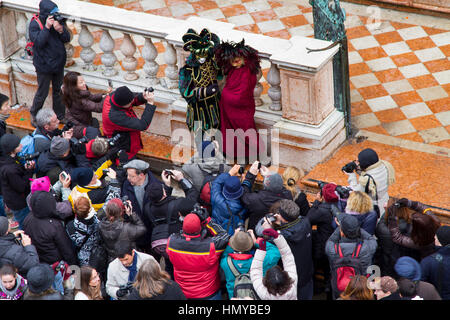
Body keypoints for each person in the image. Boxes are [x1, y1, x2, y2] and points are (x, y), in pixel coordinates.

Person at [214, 39, 263, 163]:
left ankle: (256, 154)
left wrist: (231, 98)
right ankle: (235, 153)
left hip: (242, 108)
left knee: (246, 130)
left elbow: (245, 91)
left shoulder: (249, 72)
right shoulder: (231, 70)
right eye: (232, 61)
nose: (235, 63)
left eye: (237, 60)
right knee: (230, 130)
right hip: (227, 107)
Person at [167, 210, 230, 300]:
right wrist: (207, 221)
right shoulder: (210, 246)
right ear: (200, 228)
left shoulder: (171, 242)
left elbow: (179, 235)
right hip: (209, 293)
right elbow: (224, 235)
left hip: (183, 294)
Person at [258, 199, 314, 300]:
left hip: (290, 281)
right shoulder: (306, 222)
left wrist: (268, 229)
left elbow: (263, 236)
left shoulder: (282, 237)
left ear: (281, 217)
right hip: (306, 274)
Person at [143, 168, 197, 265]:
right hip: (176, 242)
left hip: (161, 244)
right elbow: (192, 197)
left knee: (169, 265)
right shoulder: (177, 204)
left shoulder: (147, 209)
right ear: (164, 193)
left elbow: (161, 204)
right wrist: (181, 179)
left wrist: (167, 186)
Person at [28, 0, 70, 123]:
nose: (55, 16)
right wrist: (47, 27)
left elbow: (66, 39)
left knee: (59, 91)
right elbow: (39, 43)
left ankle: (60, 115)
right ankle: (34, 114)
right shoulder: (35, 24)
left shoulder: (58, 22)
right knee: (42, 92)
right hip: (44, 66)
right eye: (52, 14)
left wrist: (61, 30)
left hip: (58, 64)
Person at [178, 28, 221, 146]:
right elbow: (185, 91)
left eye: (204, 55)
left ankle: (216, 155)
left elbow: (221, 74)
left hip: (214, 106)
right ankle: (203, 157)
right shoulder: (187, 70)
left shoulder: (212, 63)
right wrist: (206, 91)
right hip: (198, 110)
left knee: (217, 133)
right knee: (200, 136)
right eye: (199, 55)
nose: (202, 58)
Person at [325, 213, 378, 299]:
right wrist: (355, 228)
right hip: (362, 289)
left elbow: (331, 240)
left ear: (341, 233)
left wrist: (340, 227)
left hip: (340, 289)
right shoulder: (367, 248)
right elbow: (370, 238)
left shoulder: (332, 249)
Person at [121, 159, 170, 251]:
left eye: (131, 176)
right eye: (127, 175)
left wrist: (167, 187)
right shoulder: (126, 184)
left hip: (151, 234)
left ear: (141, 175)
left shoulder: (157, 186)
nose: (128, 178)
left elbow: (164, 205)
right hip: (136, 234)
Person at [220, 227, 280, 299]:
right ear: (250, 245)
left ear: (233, 246)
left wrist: (234, 238)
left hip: (234, 297)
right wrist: (256, 241)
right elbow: (275, 251)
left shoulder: (225, 262)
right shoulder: (260, 262)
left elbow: (224, 254)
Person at [23, 191, 78, 266]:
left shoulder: (28, 218)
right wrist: (74, 267)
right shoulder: (55, 226)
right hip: (55, 263)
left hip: (40, 259)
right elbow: (66, 249)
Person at [101, 86, 156, 160]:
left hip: (123, 135)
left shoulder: (115, 95)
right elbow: (142, 125)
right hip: (122, 143)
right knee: (128, 160)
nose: (132, 102)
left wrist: (142, 97)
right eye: (130, 102)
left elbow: (131, 99)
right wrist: (150, 103)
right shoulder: (115, 116)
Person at [304, 183, 336, 297]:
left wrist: (316, 203)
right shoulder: (339, 206)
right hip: (334, 243)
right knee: (329, 269)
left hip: (322, 244)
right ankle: (328, 288)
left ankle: (316, 289)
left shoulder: (323, 210)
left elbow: (308, 220)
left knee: (315, 266)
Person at [241, 161, 293, 231]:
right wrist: (270, 177)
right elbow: (282, 188)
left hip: (256, 231)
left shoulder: (255, 199)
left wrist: (250, 176)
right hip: (276, 231)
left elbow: (243, 195)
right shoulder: (288, 196)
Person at [344, 148, 395, 218]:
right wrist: (359, 170)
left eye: (359, 161)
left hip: (374, 207)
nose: (357, 163)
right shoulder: (385, 165)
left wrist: (351, 175)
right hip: (385, 200)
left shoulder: (367, 180)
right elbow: (372, 174)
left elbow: (355, 191)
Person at [375, 197, 418, 277]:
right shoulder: (412, 228)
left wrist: (388, 210)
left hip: (386, 264)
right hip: (405, 265)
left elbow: (382, 221)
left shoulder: (382, 229)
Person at [250, 228, 297, 300]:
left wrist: (261, 250)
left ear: (266, 281)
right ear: (286, 277)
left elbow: (255, 270)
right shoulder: (292, 286)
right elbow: (288, 258)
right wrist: (278, 238)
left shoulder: (263, 293)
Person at [0, 134, 35, 229]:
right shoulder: (10, 169)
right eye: (18, 145)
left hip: (12, 198)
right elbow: (21, 187)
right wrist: (29, 171)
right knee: (24, 224)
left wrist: (25, 169)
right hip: (18, 203)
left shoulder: (8, 160)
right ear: (12, 149)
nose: (22, 146)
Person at [62, 71, 109, 139]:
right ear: (74, 86)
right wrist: (108, 98)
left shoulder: (72, 92)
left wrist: (103, 96)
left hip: (83, 121)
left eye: (83, 80)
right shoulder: (79, 101)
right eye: (81, 82)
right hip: (80, 126)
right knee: (95, 131)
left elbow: (91, 97)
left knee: (94, 122)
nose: (84, 83)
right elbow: (98, 108)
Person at [99, 198, 146, 265]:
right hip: (129, 258)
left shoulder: (101, 225)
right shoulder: (126, 228)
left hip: (113, 260)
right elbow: (142, 228)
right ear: (121, 212)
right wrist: (131, 214)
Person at [210, 164, 247, 235]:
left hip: (217, 227)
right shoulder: (243, 204)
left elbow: (216, 183)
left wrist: (229, 173)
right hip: (234, 229)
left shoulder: (216, 198)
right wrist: (245, 181)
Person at [66, 197, 100, 266]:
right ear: (89, 208)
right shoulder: (97, 220)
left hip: (82, 259)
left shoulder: (70, 227)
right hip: (97, 256)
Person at [420, 226, 450, 300]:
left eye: (436, 237)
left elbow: (421, 284)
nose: (434, 237)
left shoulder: (428, 262)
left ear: (440, 241)